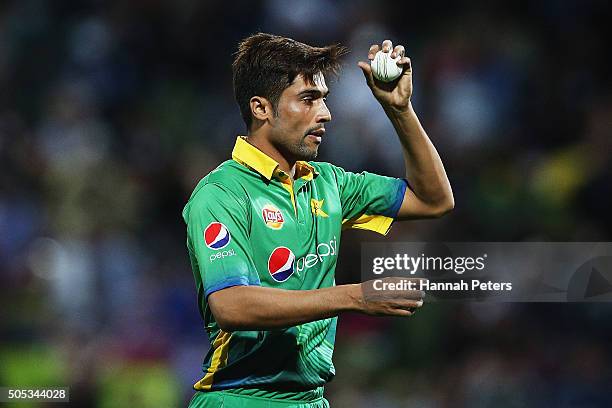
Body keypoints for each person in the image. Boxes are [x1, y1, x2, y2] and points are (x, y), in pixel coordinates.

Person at [182, 33, 453, 408]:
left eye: (323, 99)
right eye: (308, 100)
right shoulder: (221, 193)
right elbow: (231, 306)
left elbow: (432, 199)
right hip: (241, 397)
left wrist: (400, 109)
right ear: (261, 108)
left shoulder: (329, 184)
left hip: (312, 400)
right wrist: (355, 296)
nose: (325, 113)